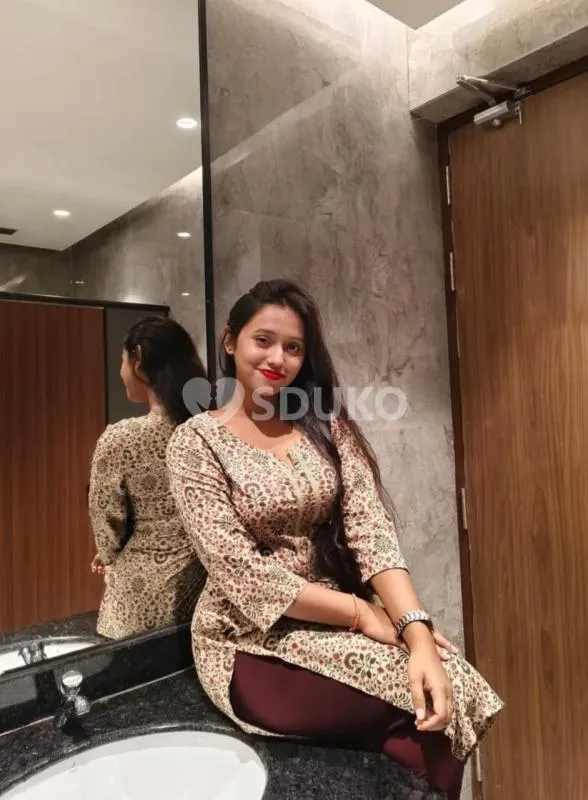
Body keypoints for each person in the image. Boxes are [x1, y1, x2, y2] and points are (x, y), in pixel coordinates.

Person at [166, 281, 503, 798]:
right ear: (230, 341)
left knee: (441, 684)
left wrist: (416, 632)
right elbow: (243, 574)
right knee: (427, 701)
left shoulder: (324, 425)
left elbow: (372, 531)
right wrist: (362, 614)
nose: (277, 358)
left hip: (334, 617)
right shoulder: (195, 442)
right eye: (263, 340)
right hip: (248, 638)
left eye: (293, 347)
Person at [89, 316, 207, 639]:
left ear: (138, 361)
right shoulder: (212, 430)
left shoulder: (121, 439)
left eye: (122, 360)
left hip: (140, 599)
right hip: (204, 589)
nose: (121, 371)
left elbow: (106, 522)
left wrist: (110, 555)